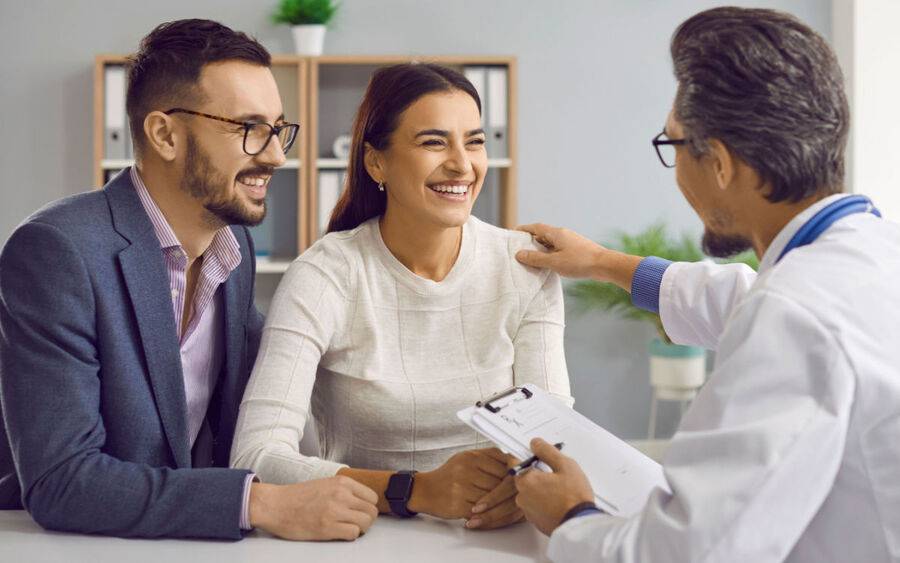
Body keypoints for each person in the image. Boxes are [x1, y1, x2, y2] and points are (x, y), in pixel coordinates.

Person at [512, 7, 899, 563]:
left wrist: (573, 516)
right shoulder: (871, 254)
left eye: (672, 145)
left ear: (718, 163)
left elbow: (692, 553)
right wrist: (599, 261)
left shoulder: (796, 314)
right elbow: (740, 300)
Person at [0, 19, 378, 541]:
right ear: (164, 134)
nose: (274, 154)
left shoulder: (233, 247)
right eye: (249, 128)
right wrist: (260, 503)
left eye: (277, 129)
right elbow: (62, 480)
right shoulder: (57, 252)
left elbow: (288, 366)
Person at [230, 63, 572, 531]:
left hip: (503, 536)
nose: (461, 164)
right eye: (433, 142)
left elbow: (553, 433)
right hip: (365, 533)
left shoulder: (525, 267)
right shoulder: (324, 275)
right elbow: (256, 455)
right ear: (377, 162)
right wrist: (413, 490)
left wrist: (522, 485)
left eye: (474, 141)